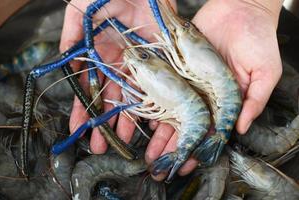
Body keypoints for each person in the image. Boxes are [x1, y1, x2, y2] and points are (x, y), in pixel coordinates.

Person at [60, 0, 283, 180]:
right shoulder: (183, 62)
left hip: (204, 106)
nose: (181, 27)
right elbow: (183, 72)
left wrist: (254, 3)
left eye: (186, 27)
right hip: (195, 105)